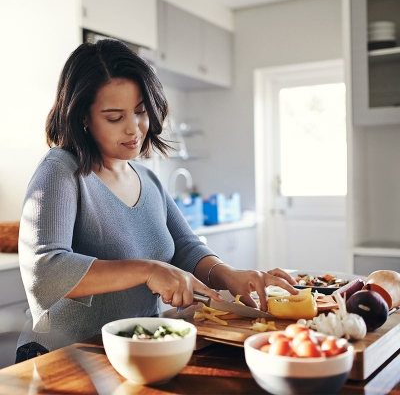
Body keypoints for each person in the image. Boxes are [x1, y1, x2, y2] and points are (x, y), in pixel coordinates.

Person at [16, 38, 299, 363]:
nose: (134, 129)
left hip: (133, 352)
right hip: (64, 356)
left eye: (140, 112)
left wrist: (228, 275)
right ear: (83, 116)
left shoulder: (147, 179)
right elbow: (44, 269)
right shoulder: (61, 170)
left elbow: (186, 249)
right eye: (114, 117)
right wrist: (148, 270)